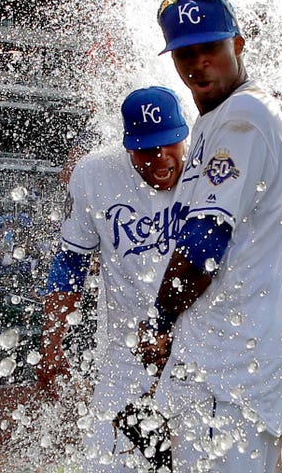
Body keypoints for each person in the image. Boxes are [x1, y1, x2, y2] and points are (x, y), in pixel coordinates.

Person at [135, 0, 282, 471]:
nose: (198, 63)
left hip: (227, 368)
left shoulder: (242, 118)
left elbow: (204, 246)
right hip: (239, 361)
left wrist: (158, 322)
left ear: (239, 44)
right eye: (184, 53)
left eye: (210, 47)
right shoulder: (225, 118)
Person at [40, 86, 191, 470]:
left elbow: (263, 249)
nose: (161, 157)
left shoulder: (211, 168)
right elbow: (71, 262)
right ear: (128, 147)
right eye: (146, 149)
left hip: (202, 348)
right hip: (129, 351)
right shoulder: (95, 174)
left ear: (186, 135)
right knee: (104, 460)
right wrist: (52, 344)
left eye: (170, 143)